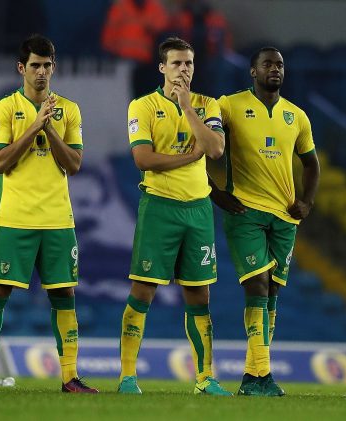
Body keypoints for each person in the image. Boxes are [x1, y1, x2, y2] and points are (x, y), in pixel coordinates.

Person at [0, 35, 97, 394]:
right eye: (35, 66)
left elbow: (73, 164)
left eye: (47, 66)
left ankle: (69, 377)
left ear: (53, 68)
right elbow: (0, 161)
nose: (41, 72)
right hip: (15, 217)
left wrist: (50, 128)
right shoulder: (5, 108)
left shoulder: (68, 110)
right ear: (21, 68)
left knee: (65, 295)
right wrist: (34, 126)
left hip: (58, 218)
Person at [117, 37, 230, 396]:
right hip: (160, 206)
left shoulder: (207, 104)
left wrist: (186, 107)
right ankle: (127, 377)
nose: (184, 69)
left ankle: (204, 378)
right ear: (162, 67)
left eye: (189, 64)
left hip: (198, 209)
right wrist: (186, 158)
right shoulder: (143, 106)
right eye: (177, 63)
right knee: (143, 291)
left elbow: (214, 149)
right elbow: (143, 159)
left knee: (200, 296)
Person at [209, 47, 319, 396]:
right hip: (244, 212)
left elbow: (311, 164)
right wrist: (215, 192)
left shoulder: (297, 116)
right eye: (268, 64)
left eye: (280, 64)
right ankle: (264, 374)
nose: (275, 68)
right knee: (257, 283)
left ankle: (252, 378)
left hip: (285, 216)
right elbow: (201, 145)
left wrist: (307, 201)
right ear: (252, 72)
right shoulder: (228, 105)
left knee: (271, 292)